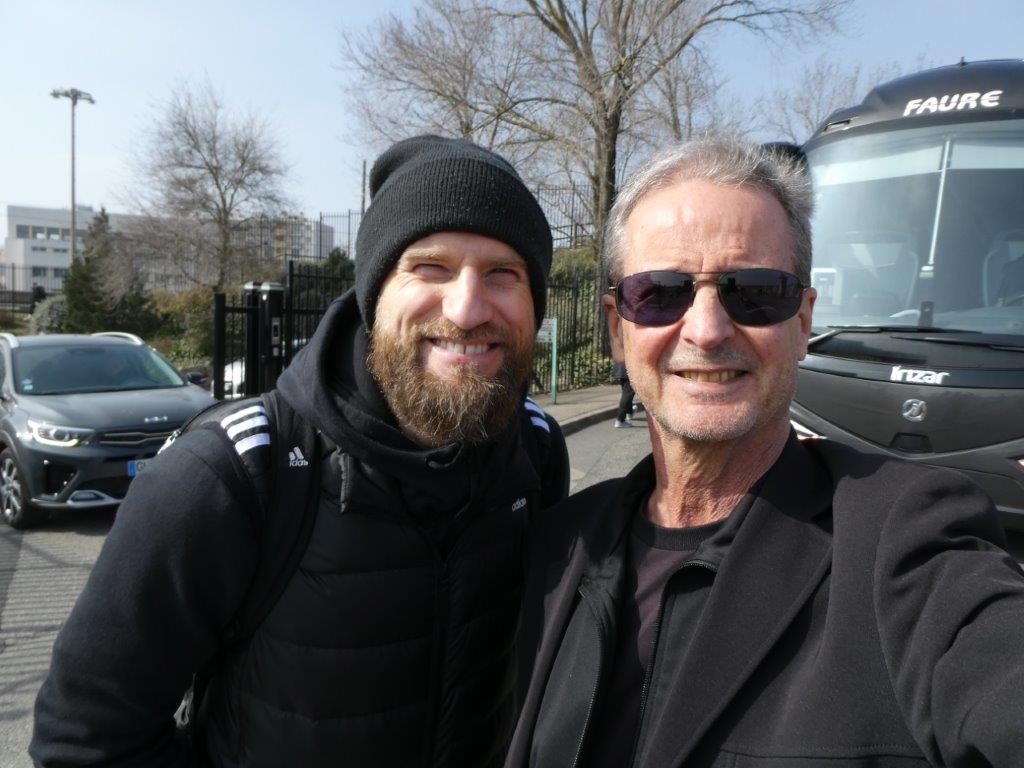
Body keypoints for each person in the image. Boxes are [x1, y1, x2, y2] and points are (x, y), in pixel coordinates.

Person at [31, 135, 570, 768]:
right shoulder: (229, 474)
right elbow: (85, 740)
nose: (468, 307)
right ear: (374, 293)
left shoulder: (535, 449)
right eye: (430, 267)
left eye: (503, 274)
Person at [505, 137, 1024, 768]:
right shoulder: (559, 545)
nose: (706, 329)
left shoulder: (906, 537)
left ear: (802, 323)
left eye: (753, 292)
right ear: (618, 329)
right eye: (661, 293)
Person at [611, 360, 635, 428]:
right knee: (628, 393)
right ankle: (620, 420)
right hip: (629, 367)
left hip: (621, 367)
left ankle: (629, 412)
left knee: (627, 392)